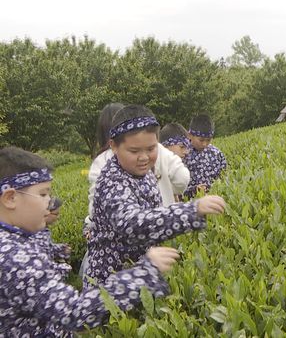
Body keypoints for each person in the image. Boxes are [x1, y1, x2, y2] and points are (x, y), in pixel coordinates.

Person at [0, 146, 179, 335]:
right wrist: (144, 273)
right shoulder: (15, 258)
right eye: (43, 194)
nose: (49, 202)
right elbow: (74, 311)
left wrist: (55, 250)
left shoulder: (12, 240)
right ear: (10, 198)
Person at [85, 105, 227, 286]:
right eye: (134, 151)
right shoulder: (111, 182)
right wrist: (192, 210)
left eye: (151, 149)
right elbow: (133, 224)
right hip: (112, 282)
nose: (144, 157)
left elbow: (155, 212)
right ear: (114, 146)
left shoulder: (141, 172)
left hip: (140, 272)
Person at [183, 114, 227, 198]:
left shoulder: (217, 154)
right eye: (201, 140)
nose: (204, 144)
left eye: (208, 140)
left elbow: (223, 179)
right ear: (190, 135)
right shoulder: (183, 154)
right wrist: (194, 190)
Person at [31, 197, 72, 277]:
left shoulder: (43, 230)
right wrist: (62, 268)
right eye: (56, 214)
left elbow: (47, 248)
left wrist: (61, 249)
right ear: (46, 213)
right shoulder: (38, 234)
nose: (58, 217)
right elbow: (41, 264)